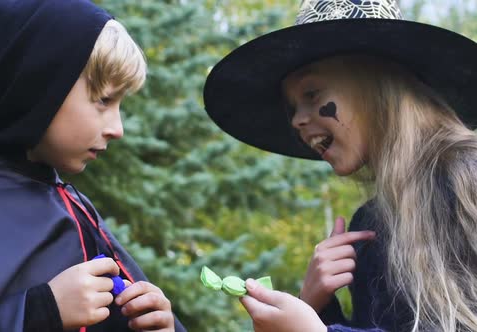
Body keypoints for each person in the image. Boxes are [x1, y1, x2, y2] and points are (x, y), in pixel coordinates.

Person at [0, 1, 186, 331]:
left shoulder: (71, 207)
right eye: (103, 100)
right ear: (39, 86)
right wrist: (39, 313)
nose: (118, 128)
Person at [203, 0, 477, 331]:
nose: (297, 120)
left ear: (375, 83)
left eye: (312, 94)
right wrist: (318, 307)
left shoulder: (468, 176)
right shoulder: (370, 225)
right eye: (292, 108)